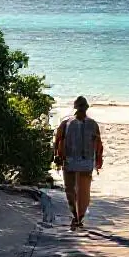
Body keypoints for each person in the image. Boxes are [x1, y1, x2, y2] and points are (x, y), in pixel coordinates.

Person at [53, 96, 103, 230]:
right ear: (76, 108)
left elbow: (98, 144)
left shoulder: (92, 124)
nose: (81, 110)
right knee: (70, 191)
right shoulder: (67, 123)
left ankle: (79, 218)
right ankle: (75, 216)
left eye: (83, 108)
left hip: (86, 162)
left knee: (83, 192)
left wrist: (98, 160)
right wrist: (57, 156)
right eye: (80, 108)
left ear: (85, 108)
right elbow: (58, 141)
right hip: (69, 161)